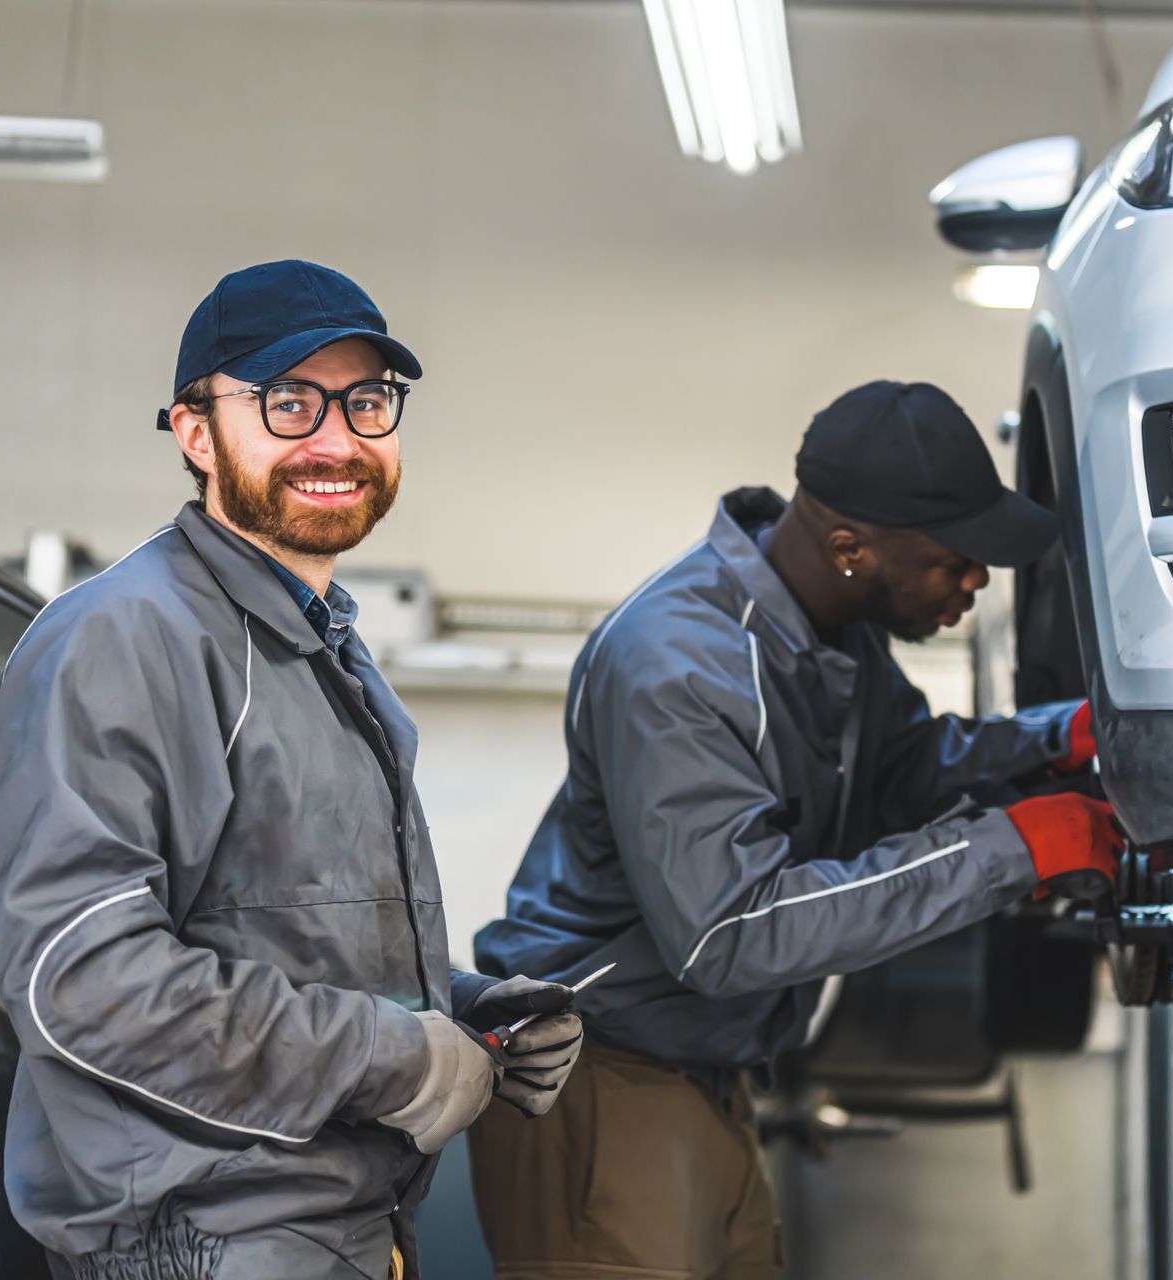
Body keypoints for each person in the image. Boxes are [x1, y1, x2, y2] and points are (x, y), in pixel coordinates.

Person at [0, 260, 584, 1280]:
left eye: (368, 401)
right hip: (205, 1241)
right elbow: (81, 977)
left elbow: (275, 932)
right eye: (288, 402)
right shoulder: (126, 638)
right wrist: (398, 1055)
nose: (337, 439)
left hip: (333, 1228)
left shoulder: (316, 647)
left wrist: (462, 1009)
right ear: (195, 430)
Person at [470, 379, 1120, 1280]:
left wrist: (1064, 738)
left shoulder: (835, 632)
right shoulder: (680, 664)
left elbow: (904, 769)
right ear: (851, 546)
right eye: (956, 558)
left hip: (706, 1079)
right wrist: (1018, 849)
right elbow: (734, 932)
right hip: (599, 1083)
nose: (977, 579)